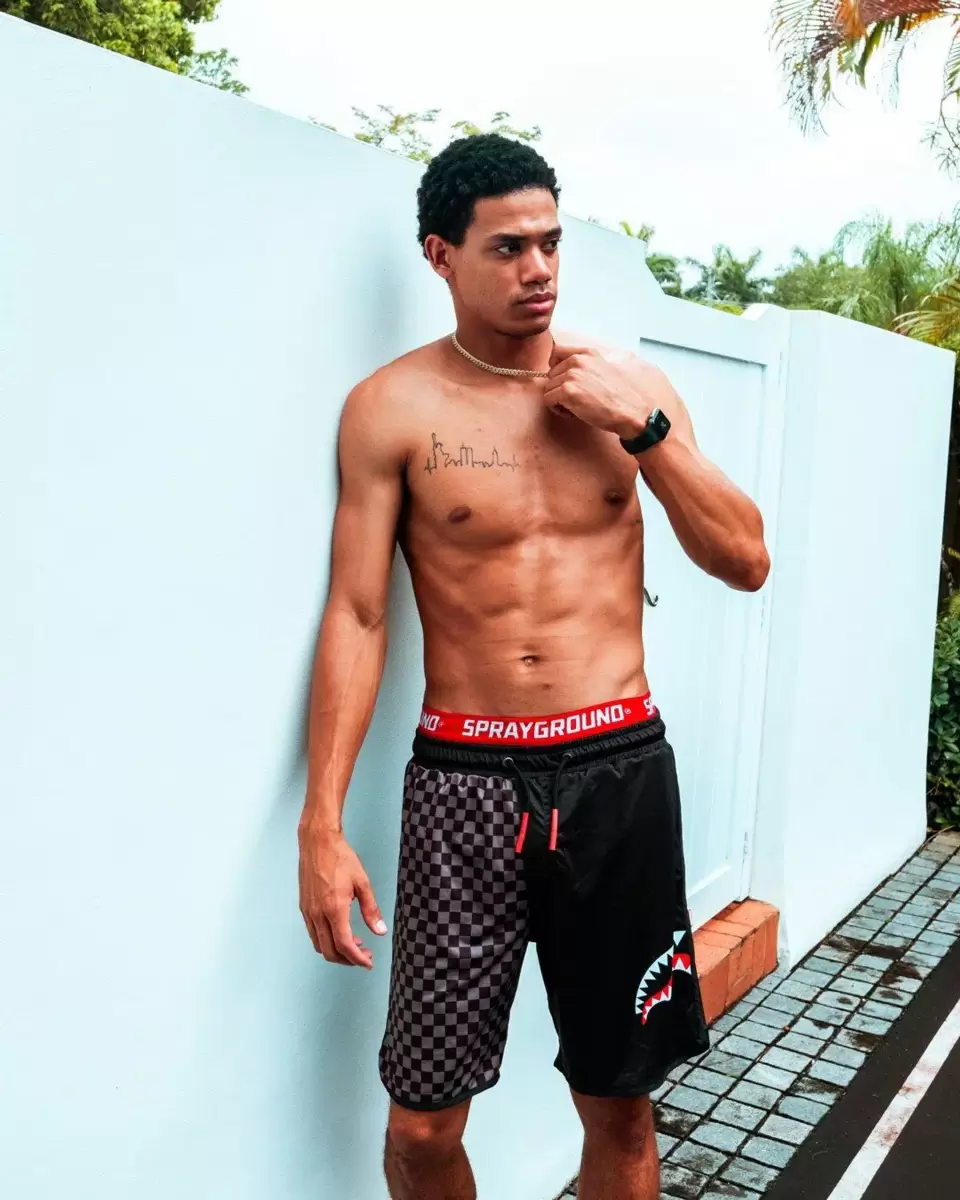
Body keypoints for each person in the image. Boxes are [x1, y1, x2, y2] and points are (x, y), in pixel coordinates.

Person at [297, 133, 770, 1200]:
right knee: (422, 1129)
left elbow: (744, 559)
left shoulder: (631, 390)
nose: (539, 269)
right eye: (508, 248)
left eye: (550, 243)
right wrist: (321, 825)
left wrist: (645, 430)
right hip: (462, 787)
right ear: (440, 255)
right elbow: (359, 614)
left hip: (617, 774)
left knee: (623, 1109)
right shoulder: (391, 408)